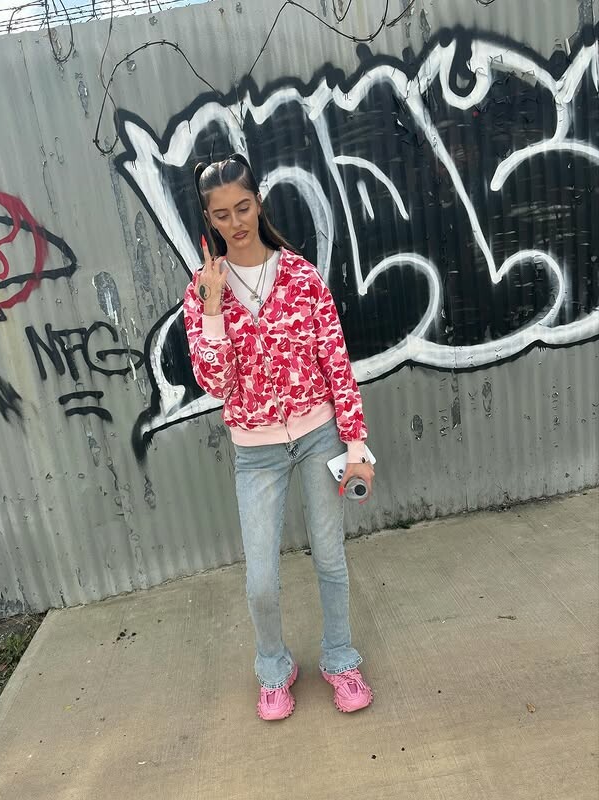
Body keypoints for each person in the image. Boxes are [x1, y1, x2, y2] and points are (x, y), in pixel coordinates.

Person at [183, 154, 375, 721]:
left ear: (258, 203)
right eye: (222, 214)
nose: (236, 222)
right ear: (208, 220)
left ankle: (340, 659)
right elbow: (215, 382)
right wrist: (213, 305)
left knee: (330, 559)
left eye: (243, 207)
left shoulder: (300, 276)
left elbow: (336, 363)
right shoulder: (203, 291)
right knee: (262, 581)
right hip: (256, 452)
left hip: (319, 437)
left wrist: (356, 446)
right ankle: (274, 667)